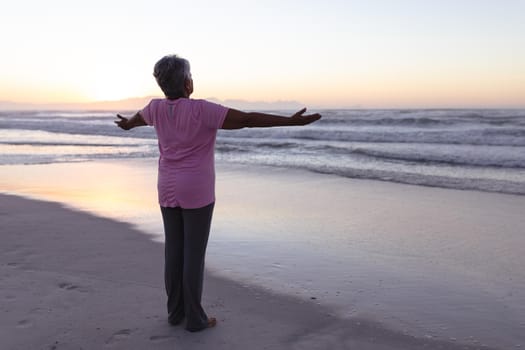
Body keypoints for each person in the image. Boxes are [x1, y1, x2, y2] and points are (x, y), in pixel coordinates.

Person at [114, 54, 321, 332]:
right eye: (190, 75)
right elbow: (247, 119)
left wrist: (127, 123)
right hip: (196, 189)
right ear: (188, 83)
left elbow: (138, 118)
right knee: (193, 255)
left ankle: (175, 313)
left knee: (174, 251)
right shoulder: (201, 110)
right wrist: (290, 121)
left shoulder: (155, 108)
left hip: (167, 187)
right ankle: (195, 320)